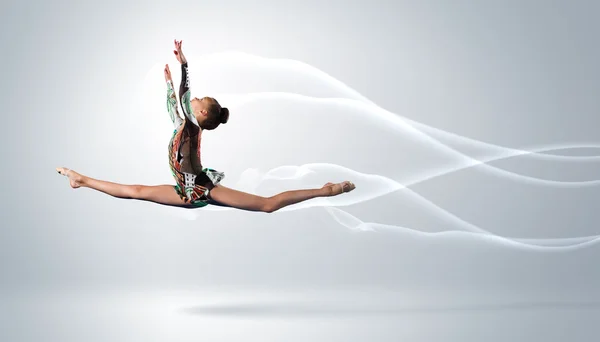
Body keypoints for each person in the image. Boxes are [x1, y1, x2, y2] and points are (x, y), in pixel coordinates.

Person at [56, 39, 355, 213]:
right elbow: (177, 101)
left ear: (199, 111)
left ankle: (324, 191)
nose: (194, 99)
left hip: (200, 190)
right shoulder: (185, 122)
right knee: (135, 190)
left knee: (267, 205)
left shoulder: (190, 123)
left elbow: (185, 94)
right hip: (187, 186)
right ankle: (81, 180)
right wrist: (170, 82)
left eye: (198, 100)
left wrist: (184, 67)